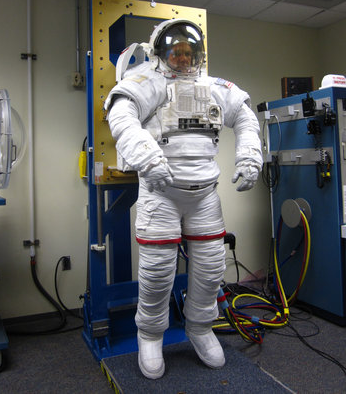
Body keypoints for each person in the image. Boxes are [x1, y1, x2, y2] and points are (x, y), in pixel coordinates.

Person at [105, 19, 262, 379]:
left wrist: (250, 157)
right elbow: (121, 115)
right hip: (161, 191)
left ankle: (200, 328)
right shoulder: (147, 82)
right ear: (162, 52)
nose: (181, 58)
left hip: (205, 193)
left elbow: (245, 118)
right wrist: (146, 155)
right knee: (158, 272)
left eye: (188, 52)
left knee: (210, 269)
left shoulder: (214, 86)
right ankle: (150, 335)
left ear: (198, 54)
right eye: (175, 51)